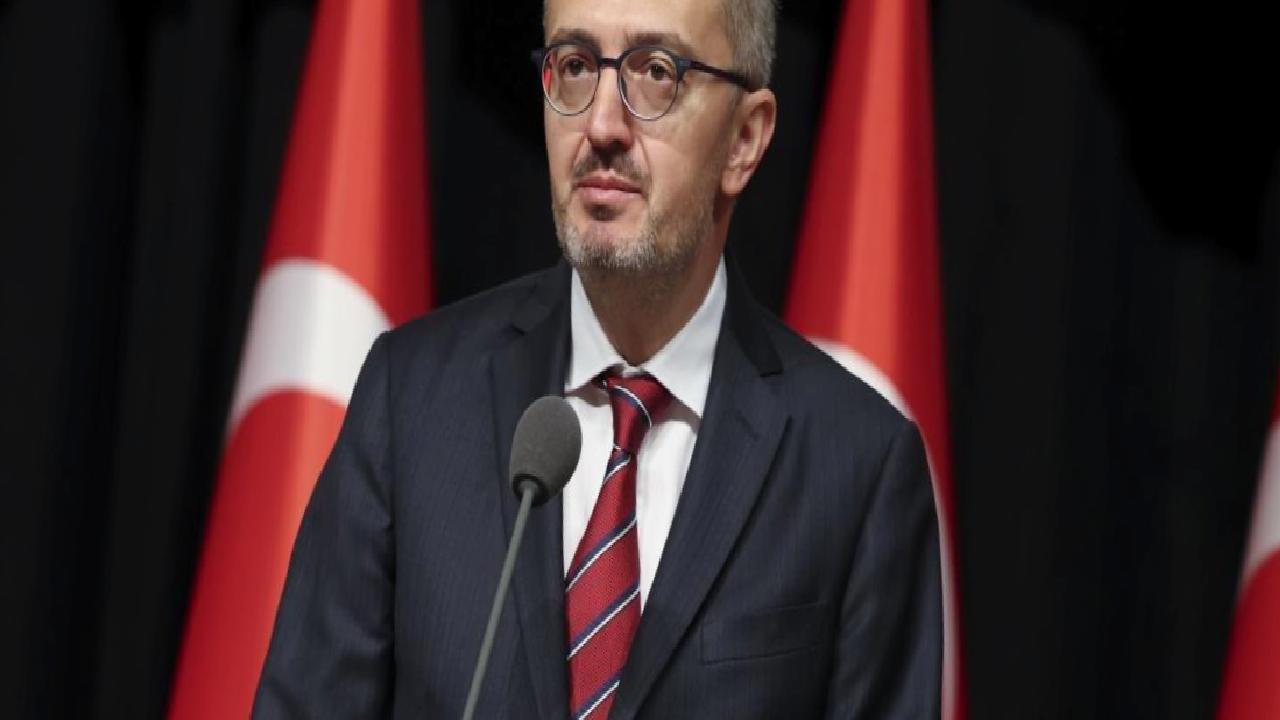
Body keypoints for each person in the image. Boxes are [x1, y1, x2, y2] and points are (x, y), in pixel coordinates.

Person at [253, 0, 942, 716]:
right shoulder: (413, 398)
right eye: (577, 65)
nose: (603, 125)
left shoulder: (859, 466)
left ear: (745, 138)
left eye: (656, 72)